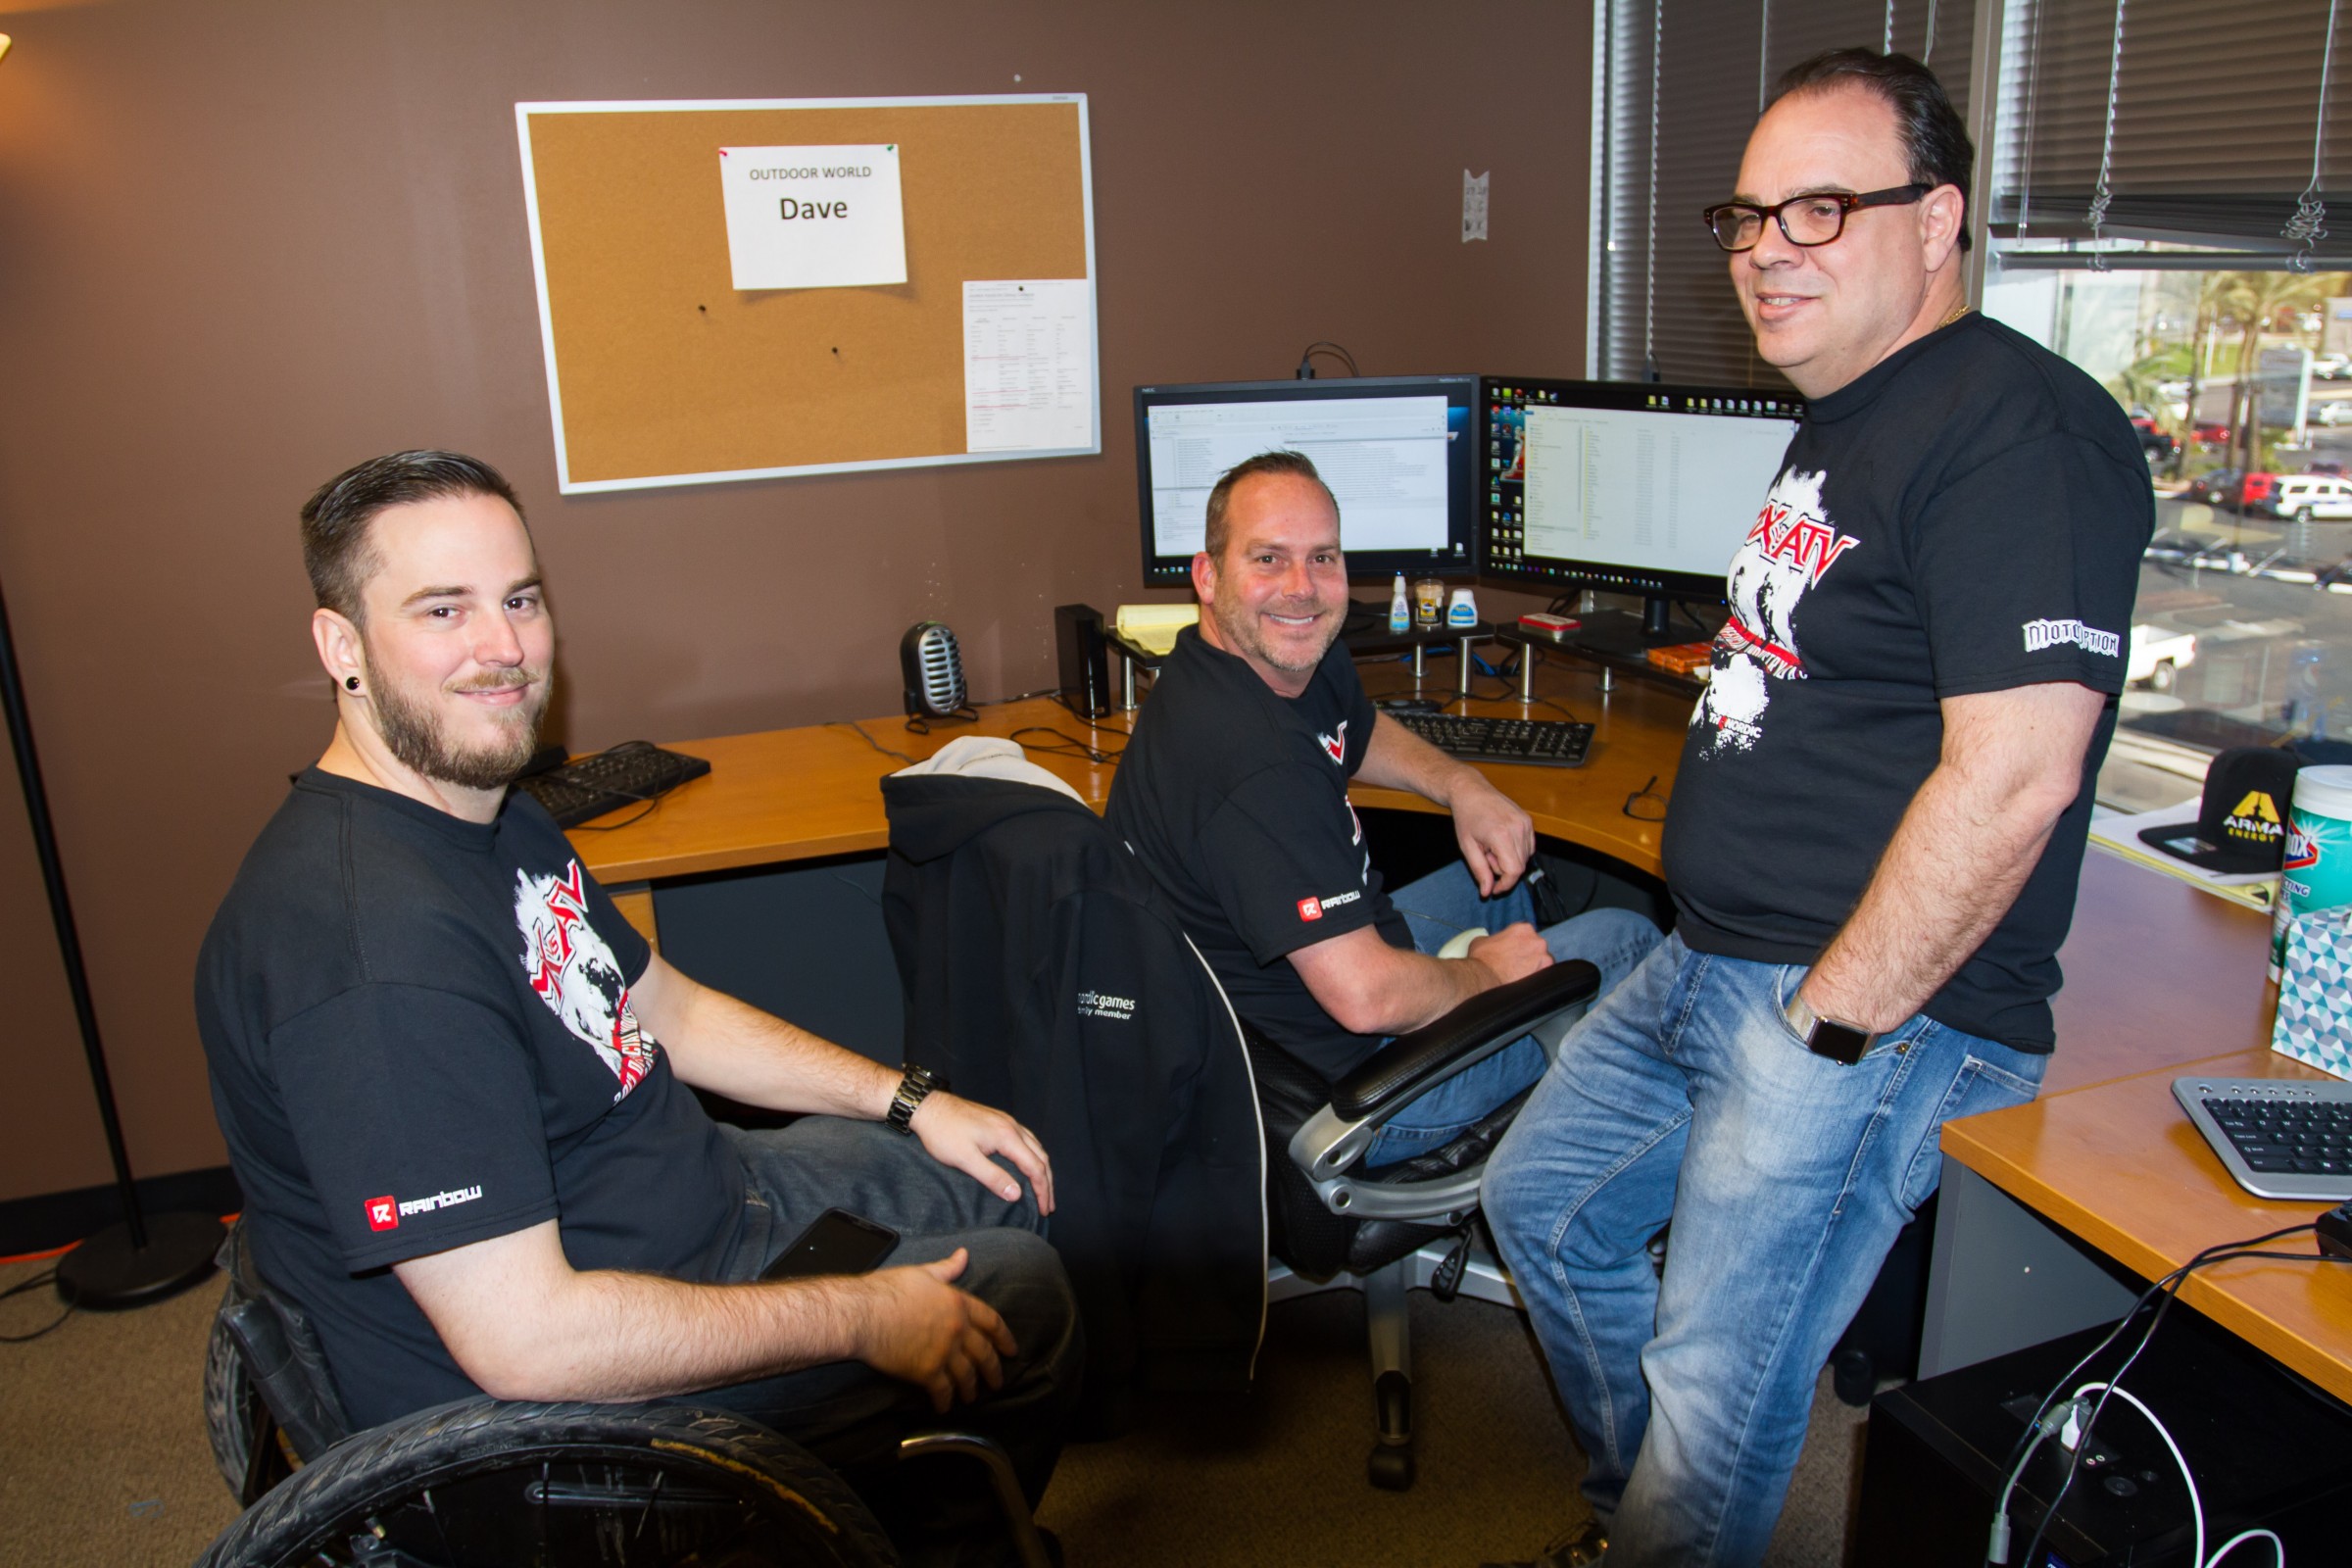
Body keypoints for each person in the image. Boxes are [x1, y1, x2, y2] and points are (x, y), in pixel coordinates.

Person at [1479, 49, 2152, 1568]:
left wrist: (1825, 1032)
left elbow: (2019, 774)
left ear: (1941, 223)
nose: (1766, 248)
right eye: (1749, 215)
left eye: (1822, 209)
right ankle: (1638, 1525)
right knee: (1549, 1209)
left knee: (1718, 1382)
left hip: (1858, 1009)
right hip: (1716, 956)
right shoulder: (1851, 412)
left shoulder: (2019, 432)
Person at [195, 450, 1080, 1564]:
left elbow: (664, 1006)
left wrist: (910, 1099)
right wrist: (868, 1314)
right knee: (1024, 1297)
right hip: (572, 1425)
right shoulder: (373, 959)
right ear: (343, 648)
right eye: (442, 609)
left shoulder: (483, 806)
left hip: (705, 1205)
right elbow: (530, 1341)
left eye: (519, 599)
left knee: (999, 1170)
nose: (503, 648)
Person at [1105, 450, 1660, 1168]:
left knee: (1509, 885)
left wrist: (1462, 785)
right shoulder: (1252, 766)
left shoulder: (1266, 659)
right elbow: (1365, 998)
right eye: (1268, 559)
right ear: (1207, 577)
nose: (1302, 589)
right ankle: (1587, 1201)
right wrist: (1489, 978)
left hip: (1297, 996)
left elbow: (1355, 730)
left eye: (1323, 559)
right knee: (1627, 935)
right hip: (1358, 1090)